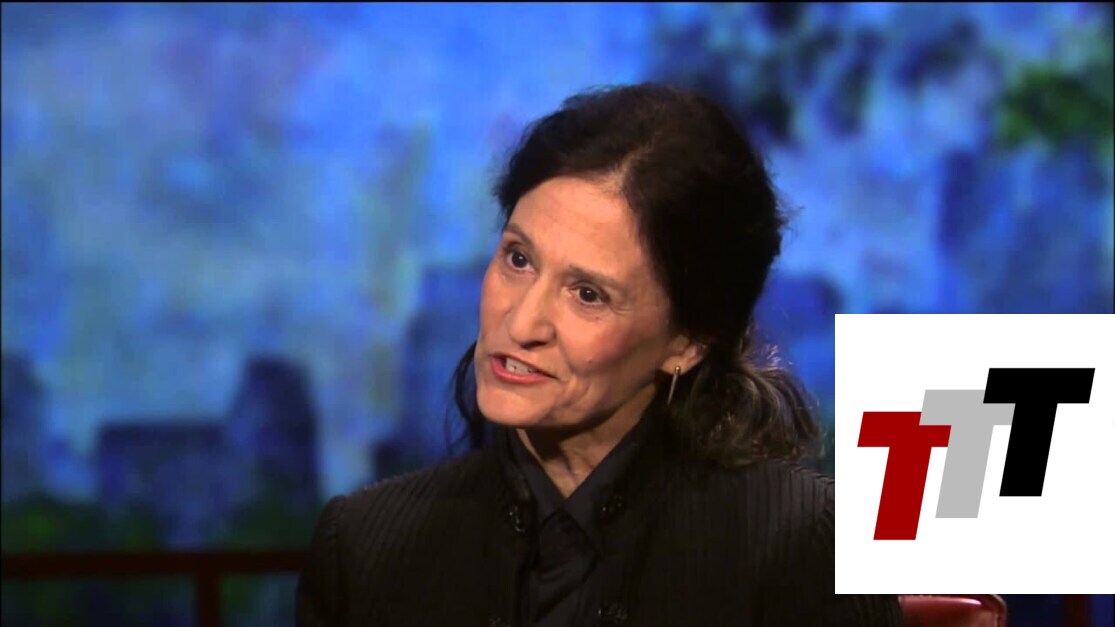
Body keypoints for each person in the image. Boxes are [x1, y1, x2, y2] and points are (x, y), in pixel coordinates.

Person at [296, 83, 904, 626]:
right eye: (518, 259)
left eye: (588, 294)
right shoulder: (365, 549)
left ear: (687, 340)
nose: (521, 322)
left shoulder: (801, 546)